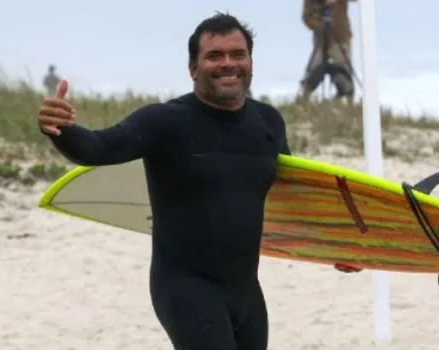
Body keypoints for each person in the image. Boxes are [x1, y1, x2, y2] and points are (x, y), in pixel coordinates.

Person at [36, 12, 359, 350]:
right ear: (193, 69)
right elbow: (97, 148)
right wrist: (59, 128)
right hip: (185, 289)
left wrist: (333, 247)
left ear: (251, 62)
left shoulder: (268, 122)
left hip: (246, 290)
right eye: (214, 56)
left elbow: (289, 194)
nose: (228, 63)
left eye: (237, 54)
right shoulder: (165, 121)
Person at [300, 0, 356, 104]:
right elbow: (306, 17)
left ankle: (350, 103)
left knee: (343, 70)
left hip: (340, 37)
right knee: (315, 68)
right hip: (321, 39)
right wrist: (319, 26)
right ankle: (303, 100)